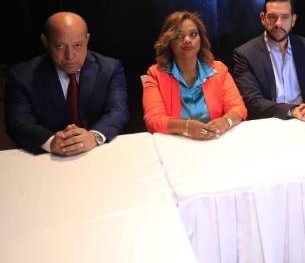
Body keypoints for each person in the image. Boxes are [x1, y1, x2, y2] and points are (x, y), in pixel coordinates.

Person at [5, 12, 128, 155]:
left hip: (96, 153)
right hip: (47, 159)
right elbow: (18, 122)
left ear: (87, 39)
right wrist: (51, 142)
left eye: (77, 45)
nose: (70, 55)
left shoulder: (110, 68)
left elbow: (118, 112)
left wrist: (93, 136)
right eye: (60, 46)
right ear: (45, 42)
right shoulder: (21, 76)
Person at [233, 0, 305, 123]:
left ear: (293, 20)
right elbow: (252, 102)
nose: (278, 24)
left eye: (285, 17)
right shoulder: (245, 54)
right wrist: (292, 110)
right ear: (263, 18)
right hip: (270, 122)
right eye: (272, 17)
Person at [143, 11, 246, 139]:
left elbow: (238, 108)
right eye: (179, 36)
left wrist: (225, 122)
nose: (187, 40)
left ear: (201, 39)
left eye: (193, 34)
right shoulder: (155, 75)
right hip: (177, 142)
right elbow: (153, 120)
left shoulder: (219, 70)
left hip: (215, 139)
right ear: (168, 41)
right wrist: (186, 127)